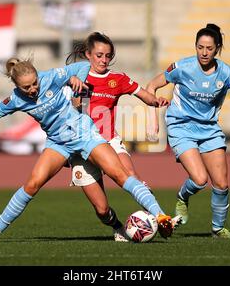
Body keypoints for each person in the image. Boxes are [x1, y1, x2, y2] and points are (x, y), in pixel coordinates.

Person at [0, 56, 177, 244]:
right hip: (58, 143)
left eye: (34, 84)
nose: (33, 89)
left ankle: (160, 215)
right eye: (26, 87)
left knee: (120, 175)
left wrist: (74, 79)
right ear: (17, 87)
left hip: (84, 135)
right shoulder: (15, 100)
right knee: (34, 184)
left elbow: (80, 68)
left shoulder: (50, 76)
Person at [146, 23, 230, 238]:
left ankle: (218, 229)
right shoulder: (182, 67)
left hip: (209, 129)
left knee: (221, 183)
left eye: (209, 48)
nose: (204, 52)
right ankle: (182, 197)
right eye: (200, 47)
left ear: (217, 48)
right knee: (200, 180)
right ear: (195, 46)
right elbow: (151, 87)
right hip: (181, 126)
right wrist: (152, 119)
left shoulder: (226, 72)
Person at [66, 32, 174, 242]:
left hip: (109, 141)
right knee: (101, 209)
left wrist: (156, 101)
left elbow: (144, 94)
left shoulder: (118, 79)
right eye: (99, 55)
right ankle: (117, 227)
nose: (103, 60)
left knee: (131, 175)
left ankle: (161, 217)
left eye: (107, 56)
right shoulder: (74, 78)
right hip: (81, 147)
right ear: (88, 54)